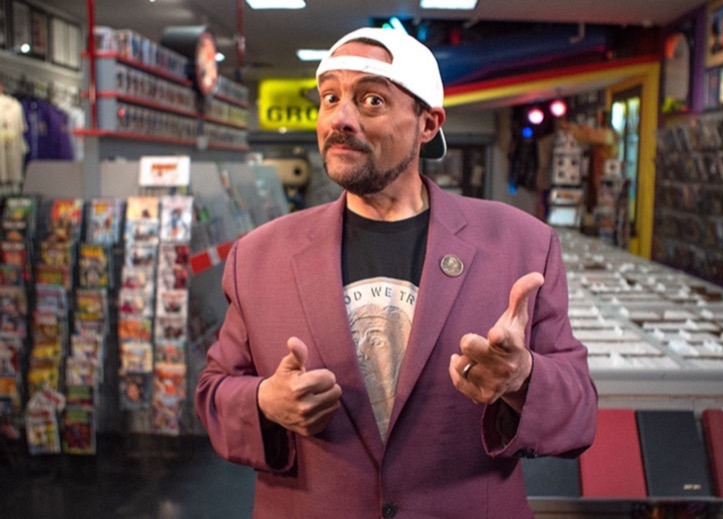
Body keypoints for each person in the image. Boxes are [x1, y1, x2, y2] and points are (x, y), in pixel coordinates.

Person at [195, 27, 597, 519]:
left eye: (371, 101)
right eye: (330, 98)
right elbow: (214, 392)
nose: (340, 118)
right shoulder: (260, 256)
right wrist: (264, 400)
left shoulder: (521, 245)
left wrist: (523, 378)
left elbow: (579, 413)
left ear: (427, 124)